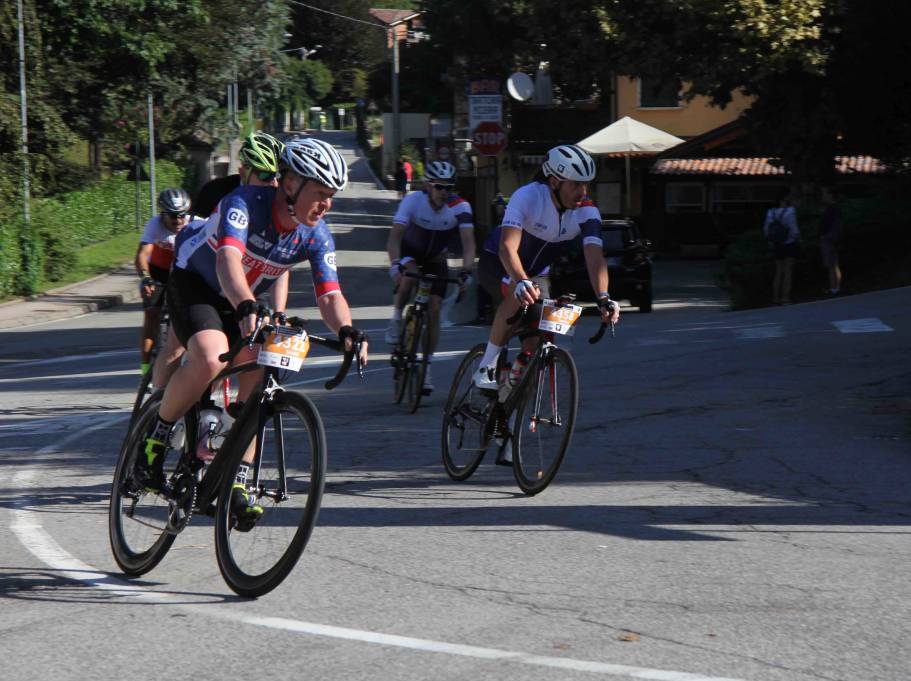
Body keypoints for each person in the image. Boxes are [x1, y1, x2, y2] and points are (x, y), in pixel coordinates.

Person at [133, 137, 367, 527]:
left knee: (261, 374)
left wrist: (346, 329)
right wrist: (245, 303)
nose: (326, 204)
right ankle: (154, 439)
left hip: (243, 298)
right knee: (211, 356)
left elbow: (330, 294)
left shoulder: (316, 234)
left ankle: (238, 479)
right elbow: (228, 260)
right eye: (320, 194)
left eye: (331, 196)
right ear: (290, 183)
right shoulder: (244, 202)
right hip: (197, 283)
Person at [472, 144, 620, 462]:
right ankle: (486, 366)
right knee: (517, 295)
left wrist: (604, 297)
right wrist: (519, 280)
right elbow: (508, 248)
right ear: (554, 181)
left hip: (537, 273)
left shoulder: (586, 211)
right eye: (575, 184)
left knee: (534, 350)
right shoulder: (528, 196)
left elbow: (595, 257)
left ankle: (506, 424)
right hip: (499, 262)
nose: (582, 192)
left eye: (586, 185)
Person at [151, 132, 287, 391]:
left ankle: (222, 408)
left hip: (245, 282)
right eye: (265, 176)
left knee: (250, 352)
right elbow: (193, 240)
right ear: (243, 170)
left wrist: (279, 312)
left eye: (279, 177)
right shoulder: (217, 192)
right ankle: (158, 402)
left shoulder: (280, 203)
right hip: (201, 275)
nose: (273, 184)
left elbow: (281, 261)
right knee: (178, 344)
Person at [385, 160, 475, 394]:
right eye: (439, 186)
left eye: (449, 187)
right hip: (409, 253)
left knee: (434, 308)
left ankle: (427, 368)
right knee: (410, 277)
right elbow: (395, 238)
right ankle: (396, 318)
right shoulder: (413, 201)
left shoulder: (460, 206)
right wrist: (395, 265)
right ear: (427, 185)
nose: (444, 192)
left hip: (436, 258)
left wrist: (466, 271)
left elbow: (468, 244)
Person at [135, 188, 190, 375]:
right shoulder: (155, 225)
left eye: (182, 215)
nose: (178, 221)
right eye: (173, 216)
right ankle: (145, 371)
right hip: (157, 273)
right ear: (163, 214)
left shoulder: (195, 223)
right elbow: (143, 254)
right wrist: (146, 277)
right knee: (151, 315)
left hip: (182, 273)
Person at [765, 189, 799, 305]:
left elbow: (766, 229)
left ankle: (775, 298)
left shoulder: (770, 212)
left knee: (778, 271)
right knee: (788, 271)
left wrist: (770, 240)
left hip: (777, 244)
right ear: (785, 198)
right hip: (789, 243)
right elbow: (793, 229)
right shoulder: (790, 211)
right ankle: (785, 297)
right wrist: (797, 237)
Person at [819, 186, 842, 296]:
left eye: (825, 194)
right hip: (833, 238)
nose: (823, 196)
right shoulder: (835, 208)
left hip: (829, 239)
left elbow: (831, 225)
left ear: (830, 195)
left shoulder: (831, 209)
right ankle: (836, 287)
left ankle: (833, 289)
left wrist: (825, 236)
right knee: (834, 264)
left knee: (831, 265)